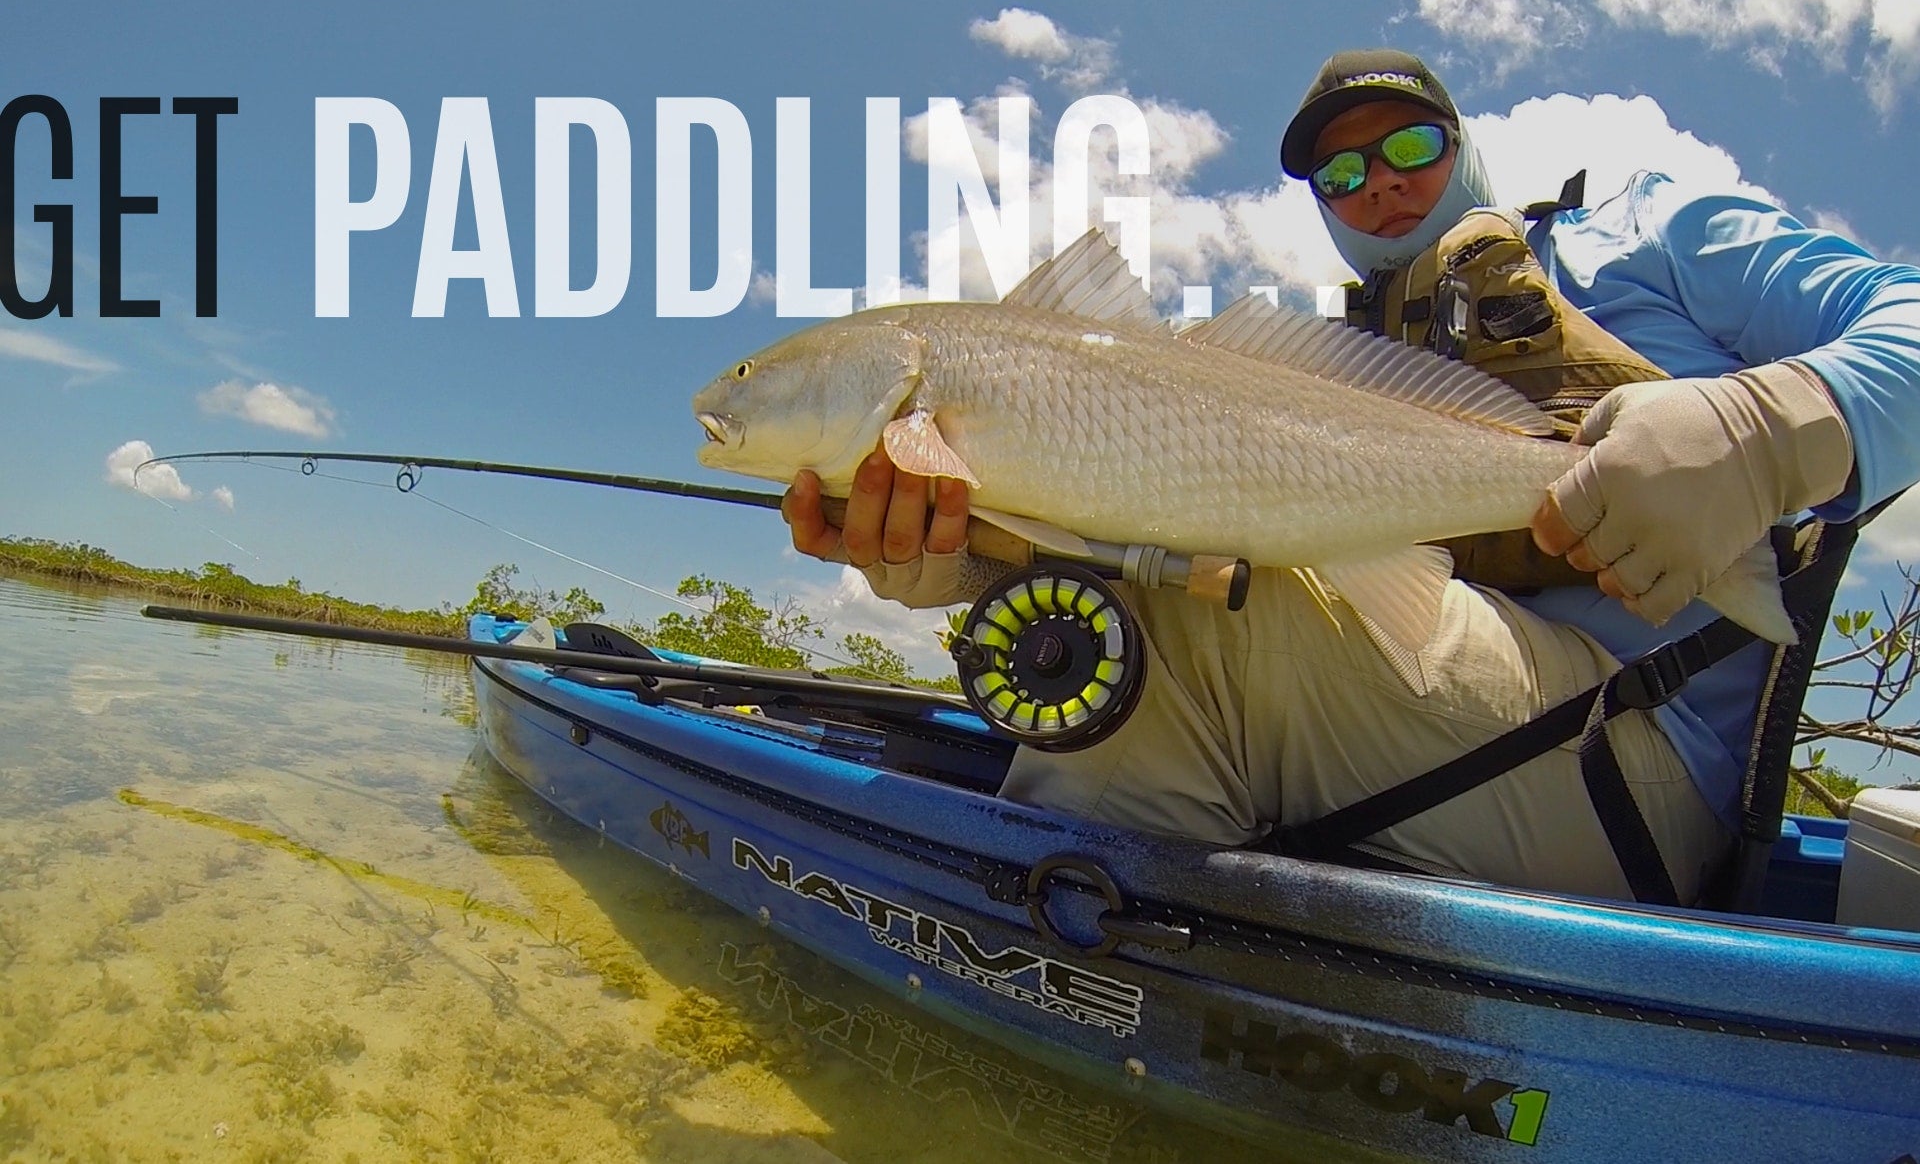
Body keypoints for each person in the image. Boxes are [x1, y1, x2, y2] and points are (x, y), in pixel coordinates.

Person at [781, 48, 1920, 905]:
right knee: (1121, 616)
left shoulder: (1652, 228)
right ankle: (1145, 979)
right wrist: (948, 554)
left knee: (1174, 635)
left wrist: (1767, 426)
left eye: (1410, 145)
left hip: (1632, 775)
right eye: (1340, 171)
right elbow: (1158, 535)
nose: (1378, 181)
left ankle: (1059, 962)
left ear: (1464, 141)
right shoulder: (1336, 362)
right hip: (1438, 730)